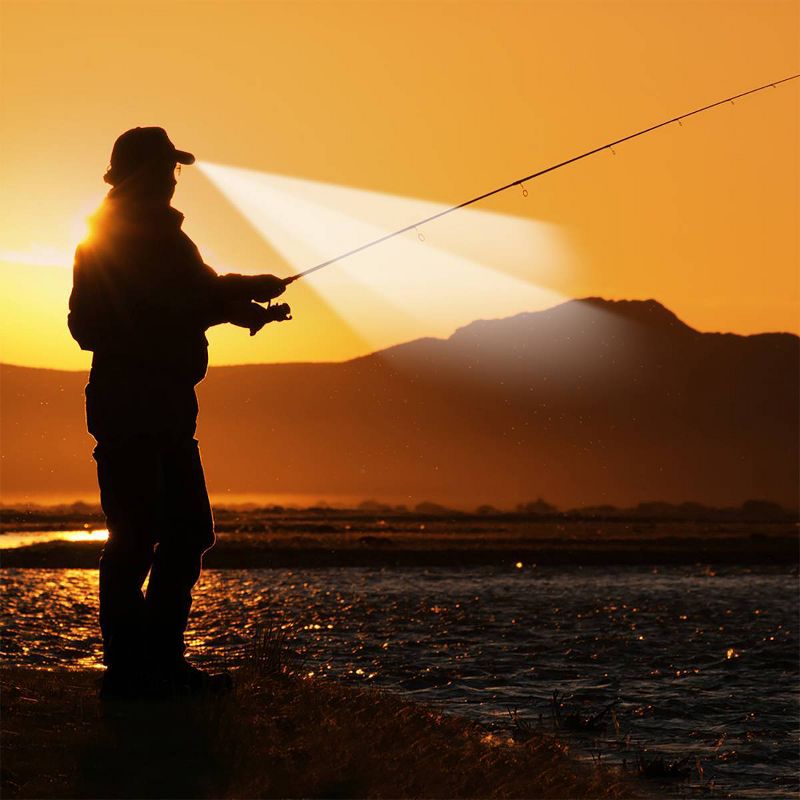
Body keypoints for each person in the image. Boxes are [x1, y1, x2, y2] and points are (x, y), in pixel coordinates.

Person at [68, 127, 289, 699]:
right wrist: (220, 304)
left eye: (174, 169)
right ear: (138, 174)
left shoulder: (170, 238)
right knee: (135, 539)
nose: (172, 178)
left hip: (169, 409)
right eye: (165, 168)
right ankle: (132, 669)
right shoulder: (106, 239)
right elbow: (89, 326)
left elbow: (199, 295)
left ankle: (157, 662)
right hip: (128, 410)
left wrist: (243, 302)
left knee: (188, 533)